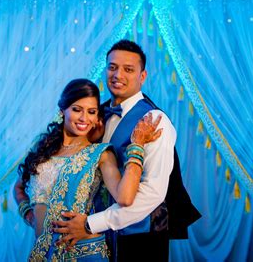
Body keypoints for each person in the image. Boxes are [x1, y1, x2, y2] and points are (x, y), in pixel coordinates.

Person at [53, 40, 201, 262]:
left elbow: (153, 192)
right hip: (95, 239)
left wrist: (91, 223)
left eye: (128, 69)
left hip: (141, 238)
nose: (117, 74)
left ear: (143, 76)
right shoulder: (94, 114)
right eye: (112, 67)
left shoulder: (154, 121)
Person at [13, 78, 163, 261]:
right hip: (42, 253)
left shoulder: (100, 154)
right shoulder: (42, 148)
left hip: (82, 252)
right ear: (62, 111)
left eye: (91, 112)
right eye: (77, 110)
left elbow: (125, 197)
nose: (84, 118)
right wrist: (28, 214)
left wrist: (137, 145)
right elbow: (19, 187)